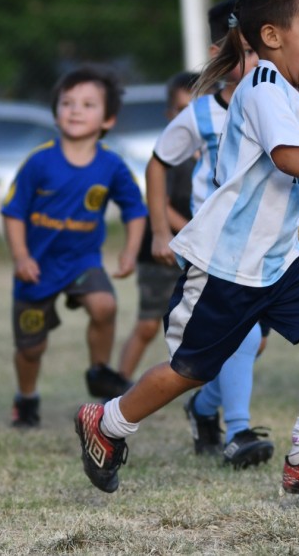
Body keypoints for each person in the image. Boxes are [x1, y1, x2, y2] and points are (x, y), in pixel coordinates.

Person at [74, 0, 299, 496]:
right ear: (271, 35)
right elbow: (289, 157)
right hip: (228, 263)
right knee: (190, 370)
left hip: (278, 260)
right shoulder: (261, 89)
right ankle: (109, 423)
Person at [146, 0, 274, 468]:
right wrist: (162, 230)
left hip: (264, 246)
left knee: (246, 341)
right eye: (250, 51)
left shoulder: (279, 104)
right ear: (220, 52)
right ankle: (238, 431)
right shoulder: (200, 116)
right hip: (213, 247)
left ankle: (203, 408)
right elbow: (158, 164)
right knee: (239, 338)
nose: (261, 62)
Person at [2, 65, 147, 428]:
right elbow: (13, 212)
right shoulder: (39, 161)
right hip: (36, 267)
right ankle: (27, 398)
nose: (75, 110)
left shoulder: (112, 165)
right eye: (67, 103)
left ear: (108, 119)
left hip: (82, 261)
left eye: (87, 104)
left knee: (105, 304)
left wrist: (130, 250)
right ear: (55, 112)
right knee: (30, 348)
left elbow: (135, 209)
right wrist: (20, 256)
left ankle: (98, 371)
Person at [115, 71, 199, 382]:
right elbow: (159, 203)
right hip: (161, 253)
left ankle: (201, 386)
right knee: (149, 323)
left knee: (198, 323)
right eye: (181, 110)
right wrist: (193, 233)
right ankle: (118, 380)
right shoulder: (170, 155)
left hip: (198, 253)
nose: (189, 117)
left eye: (197, 107)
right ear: (169, 115)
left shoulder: (216, 154)